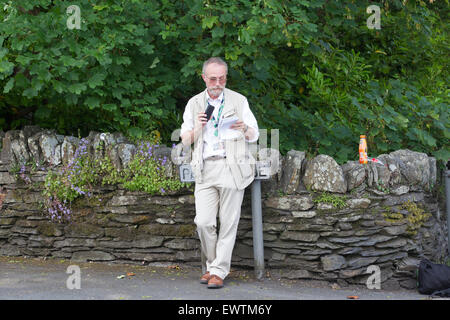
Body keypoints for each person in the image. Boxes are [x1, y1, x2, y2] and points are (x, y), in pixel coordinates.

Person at [180, 57, 259, 289]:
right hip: (205, 168)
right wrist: (198, 127)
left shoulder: (239, 100)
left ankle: (217, 271)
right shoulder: (194, 103)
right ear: (204, 78)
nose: (217, 83)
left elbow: (254, 135)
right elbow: (185, 140)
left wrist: (244, 128)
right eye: (213, 78)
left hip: (232, 166)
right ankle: (212, 265)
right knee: (203, 222)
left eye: (222, 78)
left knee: (228, 222)